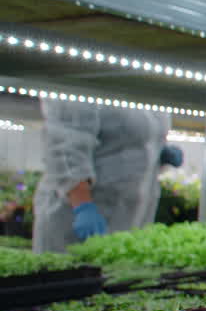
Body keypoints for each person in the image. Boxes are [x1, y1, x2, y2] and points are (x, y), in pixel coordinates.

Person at [33, 100, 184, 253]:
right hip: (76, 214)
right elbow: (65, 146)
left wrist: (159, 153)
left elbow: (140, 139)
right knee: (69, 271)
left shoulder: (148, 91)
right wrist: (82, 206)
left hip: (130, 217)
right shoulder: (88, 84)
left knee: (115, 270)